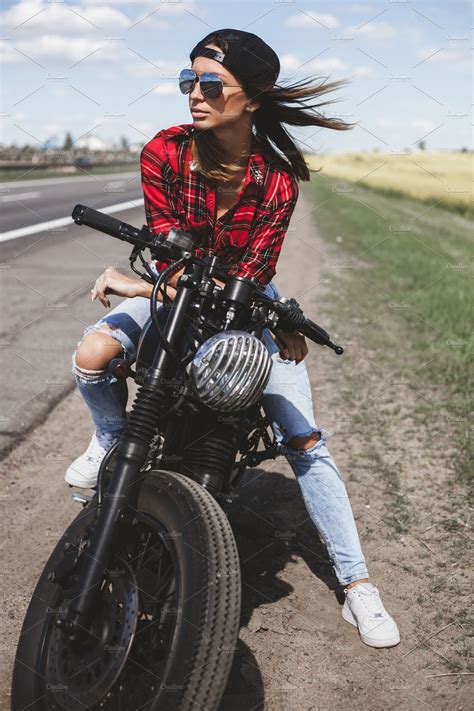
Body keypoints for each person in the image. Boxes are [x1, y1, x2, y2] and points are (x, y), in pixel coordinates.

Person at [66, 28, 400, 649]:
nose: (195, 93)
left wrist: (278, 323)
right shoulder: (164, 151)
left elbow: (253, 276)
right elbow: (170, 252)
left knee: (304, 439)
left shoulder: (276, 182)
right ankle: (111, 445)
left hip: (243, 307)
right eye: (189, 81)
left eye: (210, 83)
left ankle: (358, 587)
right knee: (93, 354)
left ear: (252, 98)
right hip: (178, 291)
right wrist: (148, 286)